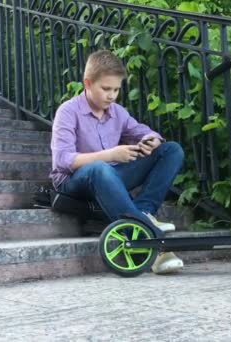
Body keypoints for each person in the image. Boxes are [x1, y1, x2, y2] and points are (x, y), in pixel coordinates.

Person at [50, 50, 185, 274]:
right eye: (106, 89)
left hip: (110, 177)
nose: (111, 95)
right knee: (100, 169)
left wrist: (150, 140)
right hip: (74, 181)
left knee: (171, 150)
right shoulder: (68, 111)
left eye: (116, 89)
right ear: (88, 83)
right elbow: (63, 161)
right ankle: (155, 245)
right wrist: (111, 155)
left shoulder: (117, 112)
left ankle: (142, 213)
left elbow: (142, 131)